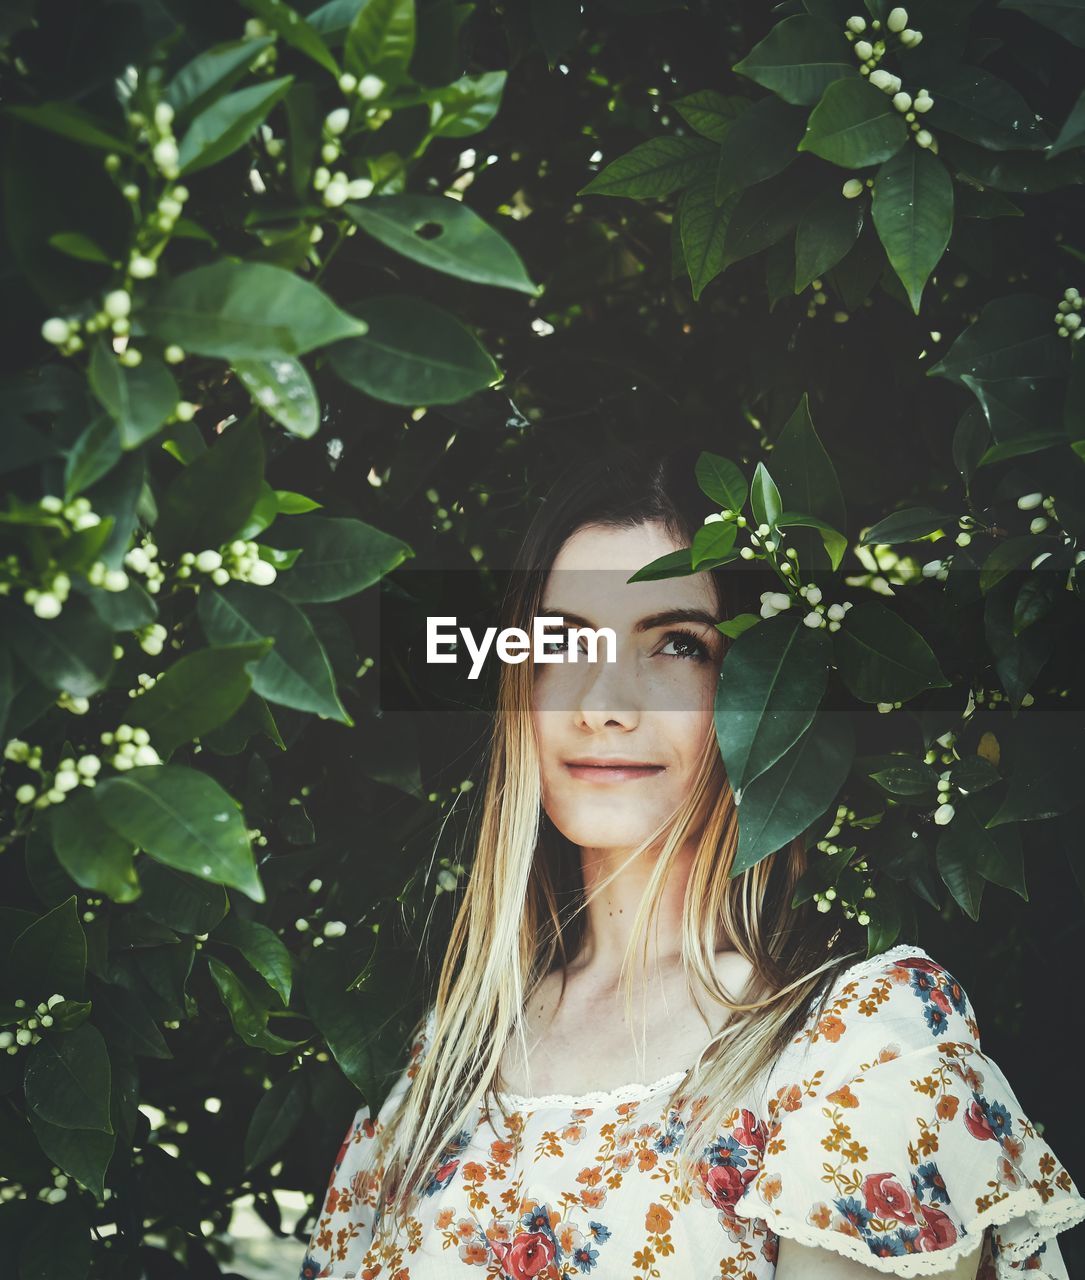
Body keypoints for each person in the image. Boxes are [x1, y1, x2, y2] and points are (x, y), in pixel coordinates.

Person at [299, 446, 1085, 1279]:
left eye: (675, 644)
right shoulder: (443, 1063)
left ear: (762, 690)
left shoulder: (858, 1047)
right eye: (562, 641)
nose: (601, 706)